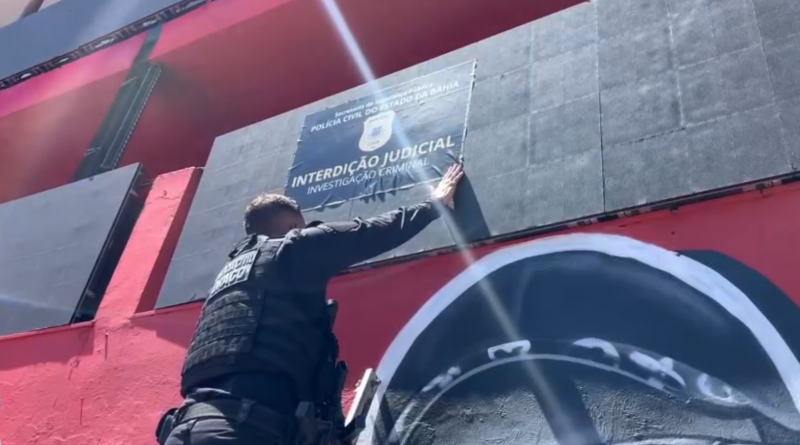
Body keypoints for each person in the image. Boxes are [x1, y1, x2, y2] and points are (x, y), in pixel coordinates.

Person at [156, 162, 465, 445]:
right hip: (246, 430)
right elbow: (371, 232)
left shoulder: (228, 275)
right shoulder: (292, 248)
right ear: (294, 224)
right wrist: (434, 204)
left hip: (187, 427)